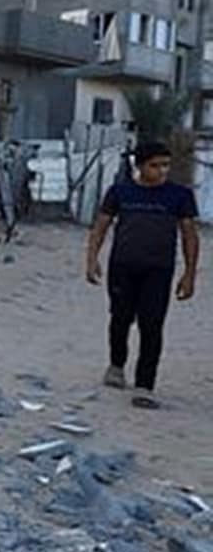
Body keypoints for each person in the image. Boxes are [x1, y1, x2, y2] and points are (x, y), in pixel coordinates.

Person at [85, 141, 199, 409]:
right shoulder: (120, 192)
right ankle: (116, 365)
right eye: (155, 165)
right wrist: (92, 260)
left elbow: (189, 235)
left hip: (159, 270)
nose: (162, 171)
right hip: (123, 266)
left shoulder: (179, 195)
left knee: (152, 325)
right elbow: (100, 226)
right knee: (120, 318)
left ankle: (145, 385)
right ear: (140, 166)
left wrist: (189, 273)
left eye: (166, 165)